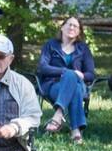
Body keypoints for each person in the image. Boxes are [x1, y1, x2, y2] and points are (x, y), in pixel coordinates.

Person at [36, 15, 95, 144]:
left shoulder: (83, 49)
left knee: (74, 82)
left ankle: (58, 114)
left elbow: (91, 74)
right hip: (53, 85)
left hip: (78, 84)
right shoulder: (50, 45)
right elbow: (42, 68)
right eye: (69, 24)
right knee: (73, 84)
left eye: (75, 26)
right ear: (62, 27)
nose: (72, 27)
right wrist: (66, 72)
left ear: (79, 32)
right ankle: (76, 131)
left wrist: (82, 76)